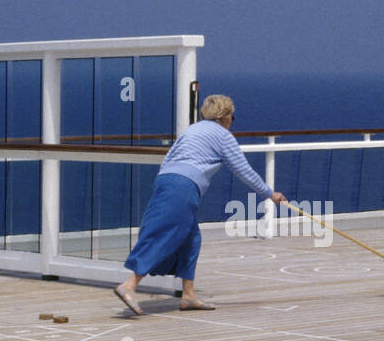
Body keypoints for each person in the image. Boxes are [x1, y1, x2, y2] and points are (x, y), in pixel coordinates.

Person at [114, 94, 285, 315]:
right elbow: (243, 171)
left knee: (191, 239)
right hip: (184, 187)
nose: (232, 121)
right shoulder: (223, 136)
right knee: (163, 235)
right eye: (233, 116)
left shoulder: (192, 129)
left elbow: (169, 157)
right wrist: (270, 193)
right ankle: (128, 286)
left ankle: (189, 295)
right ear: (225, 117)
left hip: (166, 180)